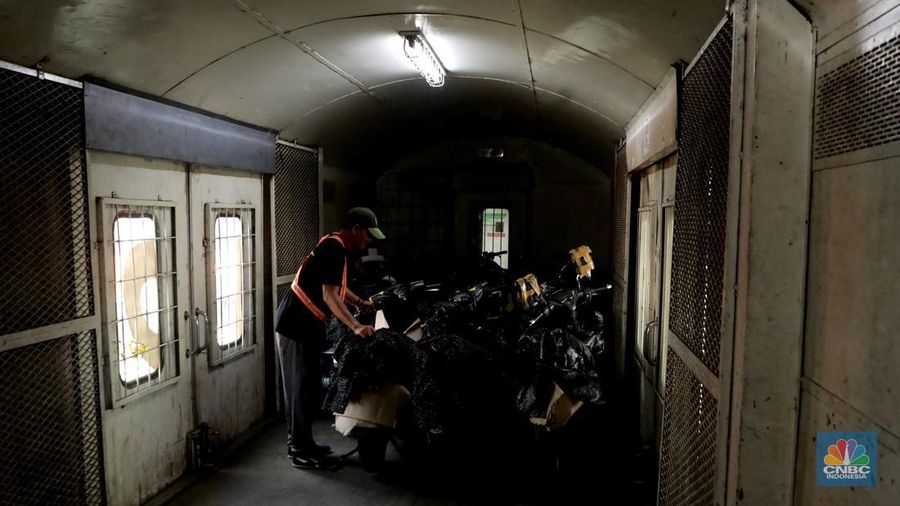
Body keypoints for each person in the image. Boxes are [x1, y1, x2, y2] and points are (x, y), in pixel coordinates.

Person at [274, 207, 386, 470]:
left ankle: (307, 443)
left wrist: (361, 303)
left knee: (309, 387)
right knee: (298, 390)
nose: (369, 241)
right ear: (357, 229)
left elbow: (338, 290)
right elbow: (329, 297)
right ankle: (298, 451)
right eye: (368, 235)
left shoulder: (336, 247)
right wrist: (356, 326)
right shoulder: (334, 248)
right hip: (294, 324)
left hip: (307, 325)